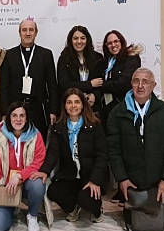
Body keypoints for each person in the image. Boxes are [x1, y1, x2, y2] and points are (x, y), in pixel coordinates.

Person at [107, 68, 164, 206]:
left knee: (158, 224)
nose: (140, 86)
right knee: (133, 223)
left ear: (153, 86)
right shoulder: (117, 113)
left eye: (145, 82)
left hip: (158, 182)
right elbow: (113, 149)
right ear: (131, 84)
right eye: (136, 81)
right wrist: (122, 179)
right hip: (130, 184)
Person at [31, 88, 109, 223]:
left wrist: (95, 180)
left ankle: (97, 210)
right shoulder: (58, 127)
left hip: (90, 175)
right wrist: (44, 171)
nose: (73, 106)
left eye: (77, 102)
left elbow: (102, 155)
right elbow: (53, 152)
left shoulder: (94, 125)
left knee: (87, 200)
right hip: (70, 175)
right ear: (64, 105)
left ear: (83, 104)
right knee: (53, 191)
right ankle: (72, 208)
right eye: (69, 102)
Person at [0, 102, 51, 231]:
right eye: (14, 115)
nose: (18, 119)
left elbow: (38, 162)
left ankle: (32, 215)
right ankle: (13, 206)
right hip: (6, 186)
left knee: (38, 184)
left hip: (27, 182)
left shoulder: (36, 135)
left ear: (27, 118)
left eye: (22, 115)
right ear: (8, 118)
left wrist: (19, 176)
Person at [0, 19, 58, 142]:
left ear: (36, 33)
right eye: (24, 30)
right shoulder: (9, 55)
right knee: (16, 142)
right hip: (16, 109)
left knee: (39, 142)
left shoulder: (45, 54)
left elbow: (52, 85)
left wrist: (53, 110)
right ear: (19, 33)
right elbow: (4, 86)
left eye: (31, 30)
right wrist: (5, 112)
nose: (27, 33)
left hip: (38, 109)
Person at [98, 30, 142, 126]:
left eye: (116, 41)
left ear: (121, 42)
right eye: (109, 43)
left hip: (125, 107)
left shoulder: (131, 59)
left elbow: (123, 83)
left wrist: (102, 85)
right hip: (107, 107)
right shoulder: (106, 62)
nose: (113, 45)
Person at [57, 26, 104, 113]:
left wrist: (94, 95)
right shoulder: (64, 59)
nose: (79, 42)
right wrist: (89, 84)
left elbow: (101, 83)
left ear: (87, 40)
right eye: (75, 38)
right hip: (71, 106)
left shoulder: (97, 58)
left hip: (92, 107)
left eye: (82, 38)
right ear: (71, 41)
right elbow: (64, 84)